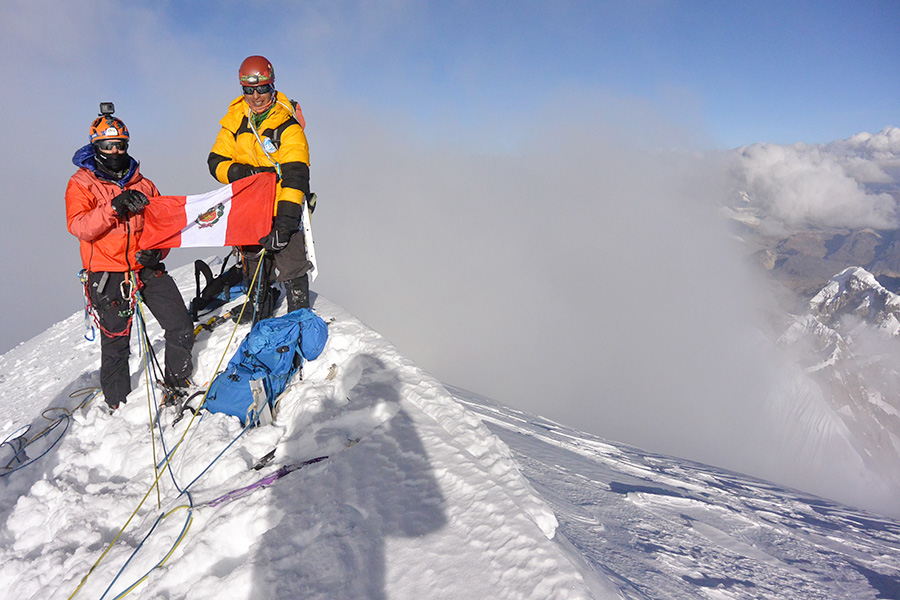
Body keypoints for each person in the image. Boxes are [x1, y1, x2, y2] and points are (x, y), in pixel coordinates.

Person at [66, 109, 194, 411]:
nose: (115, 151)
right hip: (108, 274)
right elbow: (79, 226)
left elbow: (163, 227)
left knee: (179, 324)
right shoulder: (81, 183)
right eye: (108, 146)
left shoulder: (144, 184)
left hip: (146, 269)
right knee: (116, 345)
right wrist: (113, 207)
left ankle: (177, 384)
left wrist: (158, 252)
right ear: (95, 147)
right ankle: (117, 405)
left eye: (120, 144)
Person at [208, 55, 313, 323]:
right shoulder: (235, 120)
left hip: (280, 205)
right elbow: (216, 162)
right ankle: (259, 305)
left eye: (262, 88)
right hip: (249, 206)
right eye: (248, 90)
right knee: (254, 260)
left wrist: (286, 223)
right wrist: (243, 173)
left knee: (290, 259)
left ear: (272, 85)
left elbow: (295, 177)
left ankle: (298, 313)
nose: (255, 96)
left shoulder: (286, 126)